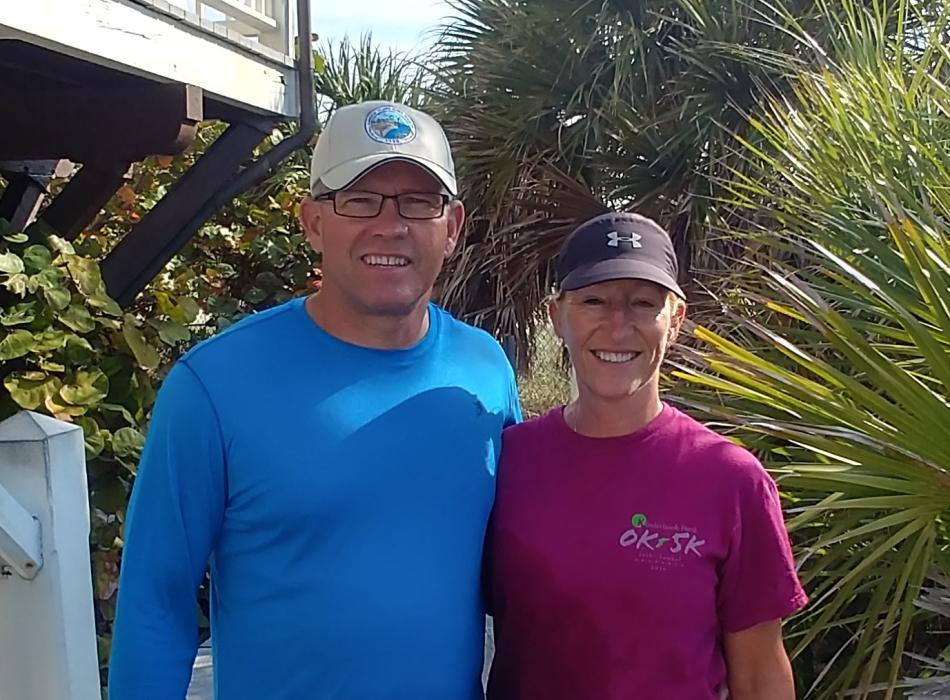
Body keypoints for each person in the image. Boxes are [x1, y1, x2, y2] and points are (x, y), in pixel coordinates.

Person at [109, 101, 521, 699]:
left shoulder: (484, 369)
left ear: (452, 226)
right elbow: (155, 600)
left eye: (417, 201)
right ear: (312, 222)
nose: (391, 224)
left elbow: (518, 571)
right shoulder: (215, 385)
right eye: (359, 199)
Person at [486, 212, 807, 699]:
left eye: (642, 304)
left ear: (675, 320)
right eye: (593, 301)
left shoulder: (732, 480)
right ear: (557, 317)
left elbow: (762, 676)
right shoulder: (507, 460)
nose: (618, 327)